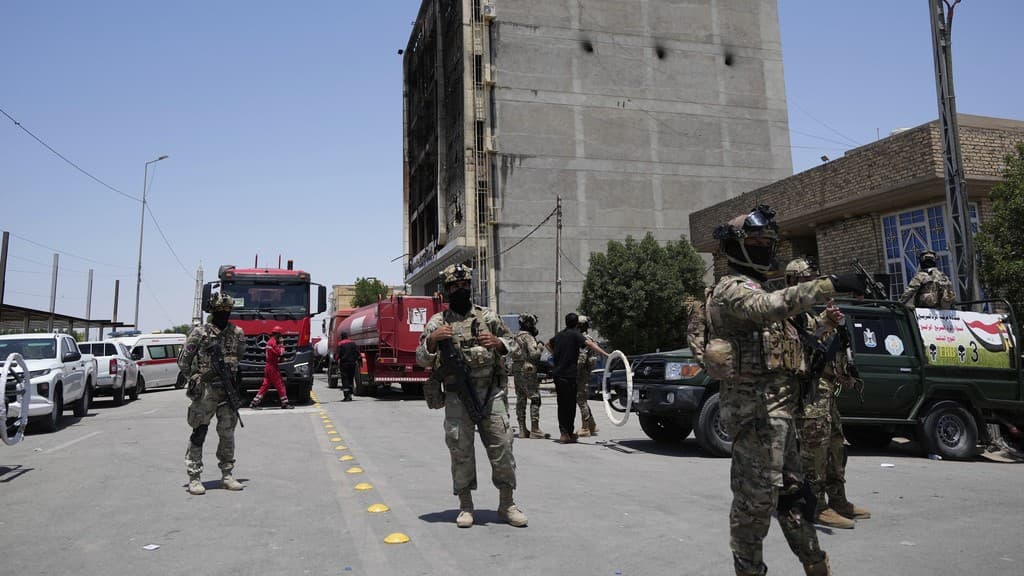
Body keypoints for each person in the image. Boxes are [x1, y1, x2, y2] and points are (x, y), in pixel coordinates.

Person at [706, 205, 866, 576]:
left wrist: (826, 320)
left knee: (794, 496)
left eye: (768, 242)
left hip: (782, 413)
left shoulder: (762, 288)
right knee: (753, 506)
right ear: (737, 247)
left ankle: (815, 562)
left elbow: (793, 336)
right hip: (755, 415)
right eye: (758, 242)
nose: (765, 248)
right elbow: (767, 307)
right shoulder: (732, 289)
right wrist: (830, 283)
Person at [415, 263, 527, 528]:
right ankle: (465, 506)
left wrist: (499, 344)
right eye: (454, 287)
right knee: (460, 451)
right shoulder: (438, 323)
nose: (460, 290)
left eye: (464, 285)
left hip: (491, 393)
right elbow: (421, 360)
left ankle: (507, 504)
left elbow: (518, 348)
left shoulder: (488, 317)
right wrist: (432, 341)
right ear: (447, 290)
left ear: (470, 287)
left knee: (502, 447)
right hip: (457, 397)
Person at [786, 258, 870, 530]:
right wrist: (823, 324)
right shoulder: (785, 317)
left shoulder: (808, 316)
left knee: (836, 447)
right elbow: (797, 349)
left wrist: (828, 323)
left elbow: (818, 344)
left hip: (824, 393)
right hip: (805, 396)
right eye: (806, 281)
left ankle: (838, 500)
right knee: (814, 453)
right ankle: (816, 505)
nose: (812, 286)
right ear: (792, 284)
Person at [178, 292, 247, 496]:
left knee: (227, 433)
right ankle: (194, 477)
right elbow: (183, 361)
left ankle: (227, 475)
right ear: (213, 311)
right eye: (220, 310)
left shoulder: (237, 333)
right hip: (205, 391)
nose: (224, 314)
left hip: (227, 390)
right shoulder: (200, 333)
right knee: (200, 431)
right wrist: (196, 377)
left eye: (227, 311)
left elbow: (239, 356)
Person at [548, 312, 608, 444]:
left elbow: (548, 344)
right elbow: (590, 344)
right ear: (576, 324)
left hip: (558, 375)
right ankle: (568, 433)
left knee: (561, 404)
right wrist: (606, 354)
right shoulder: (576, 334)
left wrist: (557, 356)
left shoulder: (559, 335)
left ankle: (564, 433)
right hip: (569, 375)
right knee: (570, 405)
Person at [510, 313, 549, 439]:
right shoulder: (528, 337)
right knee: (535, 398)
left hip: (516, 369)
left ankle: (522, 429)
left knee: (521, 398)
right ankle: (535, 429)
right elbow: (534, 355)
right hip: (528, 369)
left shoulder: (515, 336)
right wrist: (540, 347)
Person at [249, 326, 292, 409]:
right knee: (280, 384)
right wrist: (282, 345)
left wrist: (281, 360)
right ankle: (285, 403)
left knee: (265, 385)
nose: (281, 337)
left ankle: (254, 402)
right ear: (278, 334)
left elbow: (274, 356)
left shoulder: (270, 342)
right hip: (272, 368)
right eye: (280, 335)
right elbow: (280, 352)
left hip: (269, 366)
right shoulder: (273, 343)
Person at [575, 316, 600, 437]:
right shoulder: (587, 338)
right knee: (582, 399)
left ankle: (585, 428)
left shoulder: (583, 339)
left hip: (581, 374)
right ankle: (592, 424)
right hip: (585, 373)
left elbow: (581, 359)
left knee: (581, 399)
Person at [335, 331, 360, 402]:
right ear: (347, 336)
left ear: (341, 337)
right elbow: (358, 353)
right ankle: (350, 394)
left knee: (345, 379)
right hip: (352, 364)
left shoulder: (340, 344)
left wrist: (335, 361)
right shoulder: (353, 343)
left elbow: (337, 355)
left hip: (344, 364)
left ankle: (347, 396)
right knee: (350, 379)